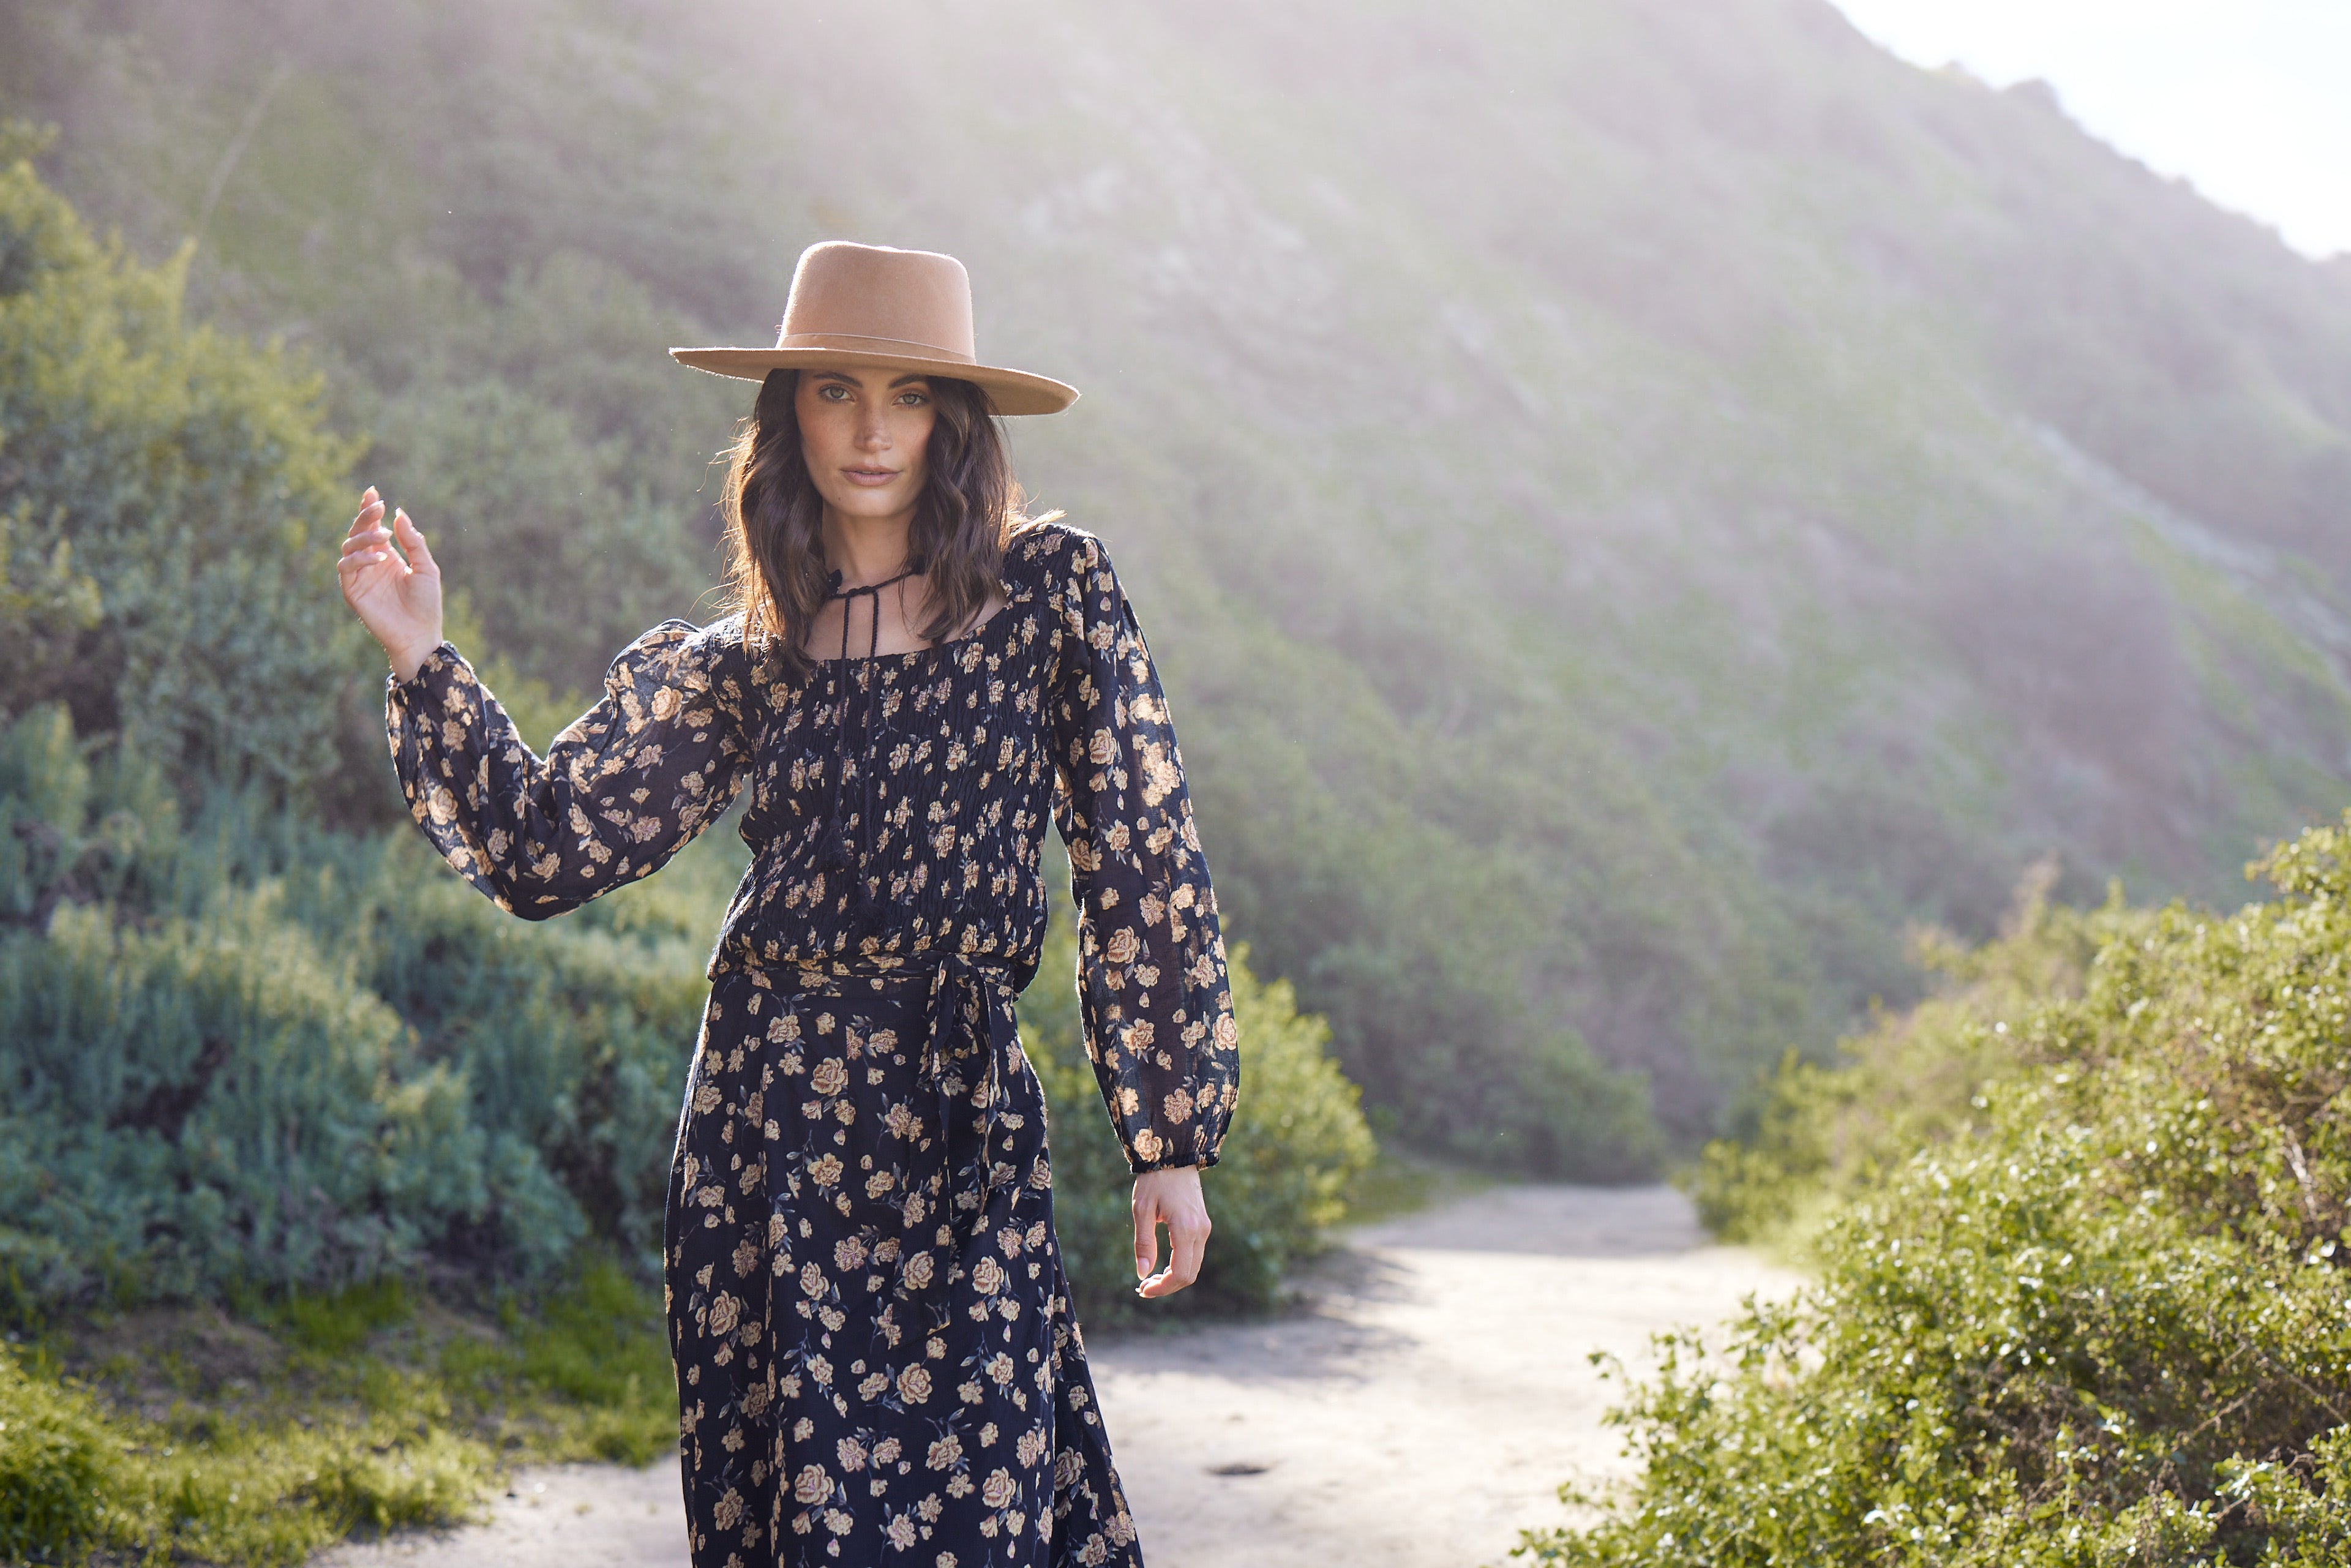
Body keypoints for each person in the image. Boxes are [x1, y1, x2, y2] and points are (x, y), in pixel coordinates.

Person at [336, 241, 1238, 1568]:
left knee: (987, 1506)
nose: (872, 430)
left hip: (955, 1120)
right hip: (769, 1128)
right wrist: (422, 654)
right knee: (795, 1522)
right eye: (833, 391)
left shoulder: (1050, 589)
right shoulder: (745, 662)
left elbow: (1138, 852)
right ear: (787, 414)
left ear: (957, 419)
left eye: (911, 394)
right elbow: (546, 847)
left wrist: (1168, 1134)